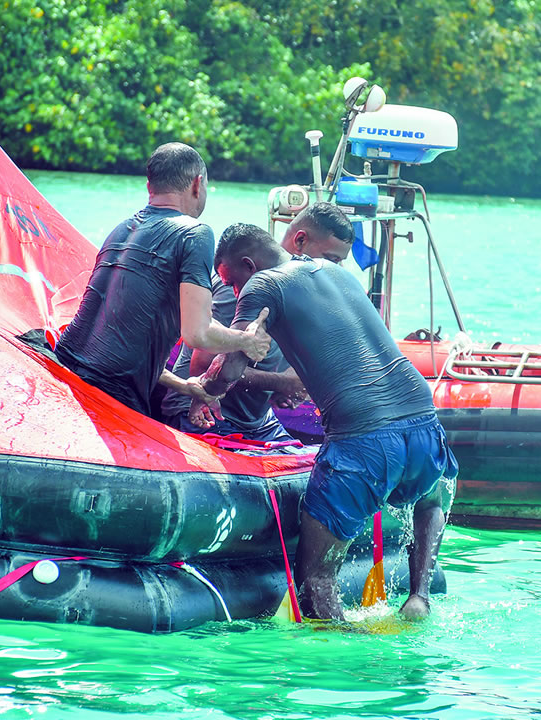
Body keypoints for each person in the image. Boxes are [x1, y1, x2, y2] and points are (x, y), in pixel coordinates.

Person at [194, 224, 458, 621]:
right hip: (421, 416)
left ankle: (355, 664)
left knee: (314, 581)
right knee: (429, 498)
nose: (233, 294)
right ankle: (419, 595)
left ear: (247, 266)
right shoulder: (336, 272)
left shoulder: (262, 285)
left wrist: (201, 388)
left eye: (231, 284)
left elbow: (230, 367)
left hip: (363, 436)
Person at [54, 143, 270, 416]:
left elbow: (117, 341)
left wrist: (184, 386)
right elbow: (197, 333)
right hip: (110, 396)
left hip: (62, 368)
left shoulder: (121, 228)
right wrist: (246, 341)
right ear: (197, 184)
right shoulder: (194, 233)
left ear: (149, 187)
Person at [159, 204, 355, 441]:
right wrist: (281, 382)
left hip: (257, 421)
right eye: (330, 259)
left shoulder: (299, 288)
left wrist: (275, 391)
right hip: (203, 413)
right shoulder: (245, 284)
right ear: (300, 241)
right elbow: (203, 366)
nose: (333, 270)